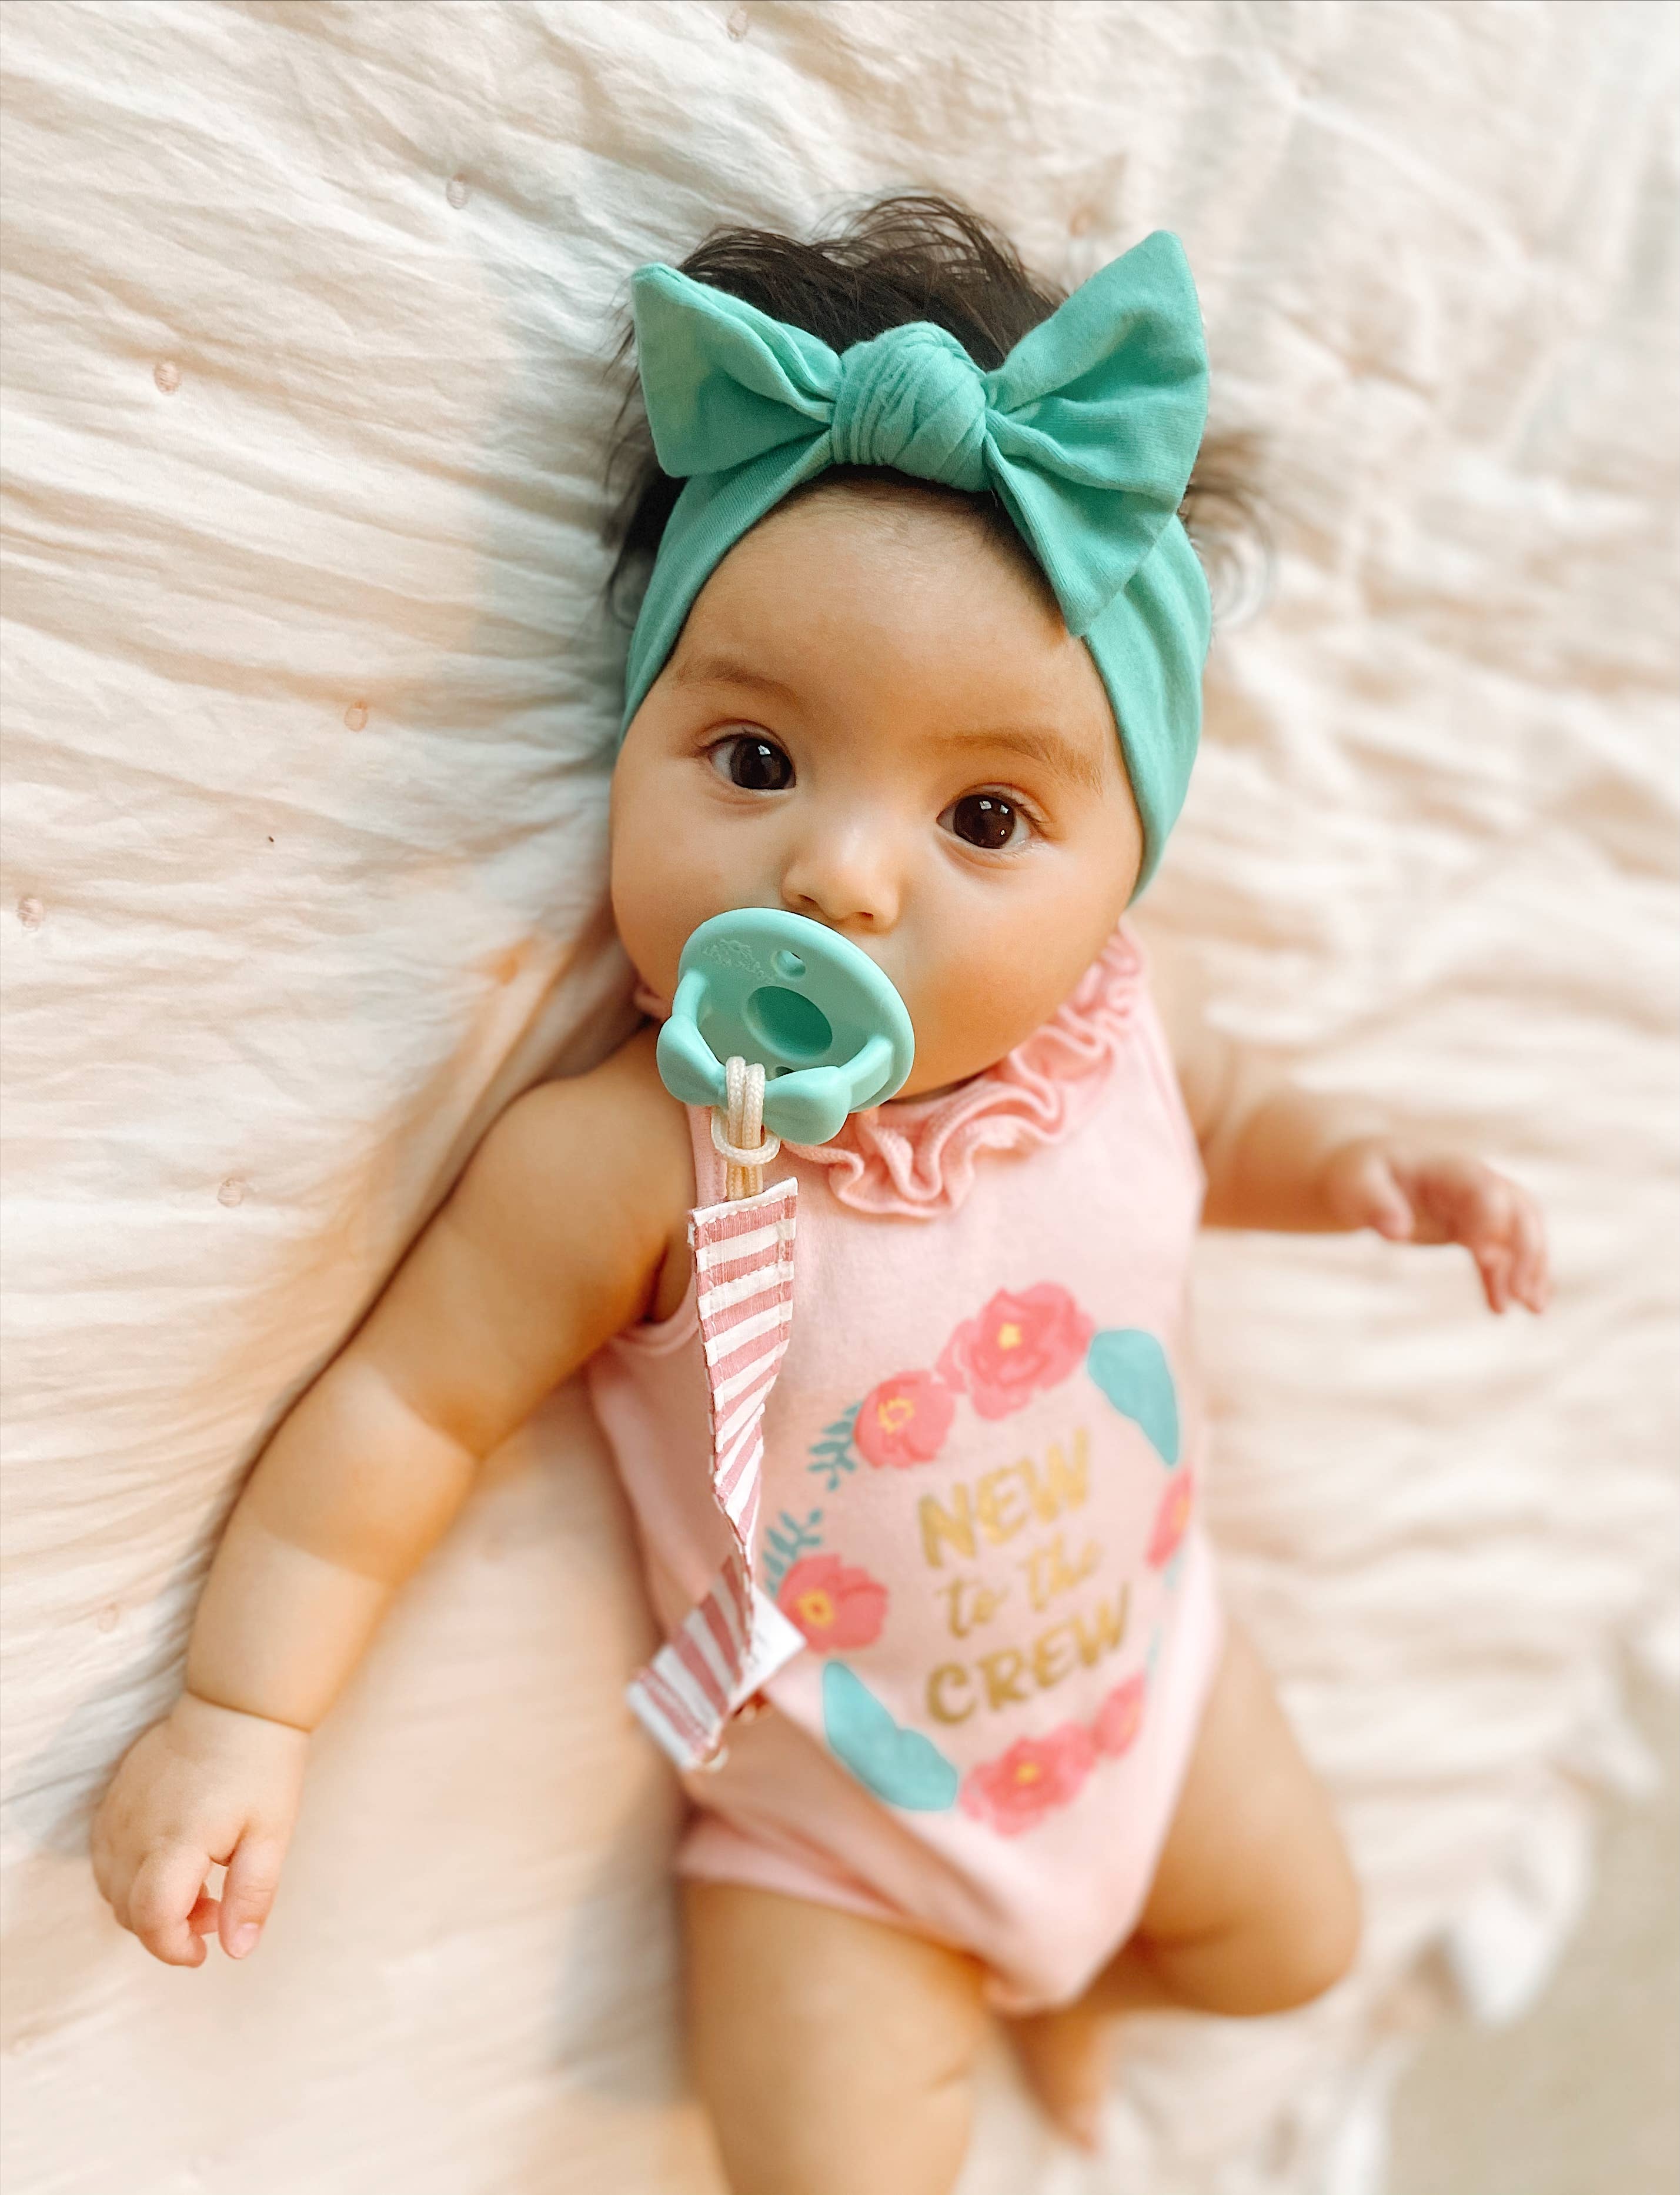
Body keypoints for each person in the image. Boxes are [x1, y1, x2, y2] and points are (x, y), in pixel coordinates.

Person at [90, 194, 1550, 2193]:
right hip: (835, 1827)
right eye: (757, 758)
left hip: (1146, 1684)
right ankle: (972, 1992)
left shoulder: (1115, 1023)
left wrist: (1361, 1168)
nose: (843, 876)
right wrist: (243, 1712)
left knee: (1294, 1940)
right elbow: (403, 1411)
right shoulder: (634, 1155)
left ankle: (1084, 1987)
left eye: (983, 814)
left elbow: (1223, 1116)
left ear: (1122, 865)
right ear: (640, 743)